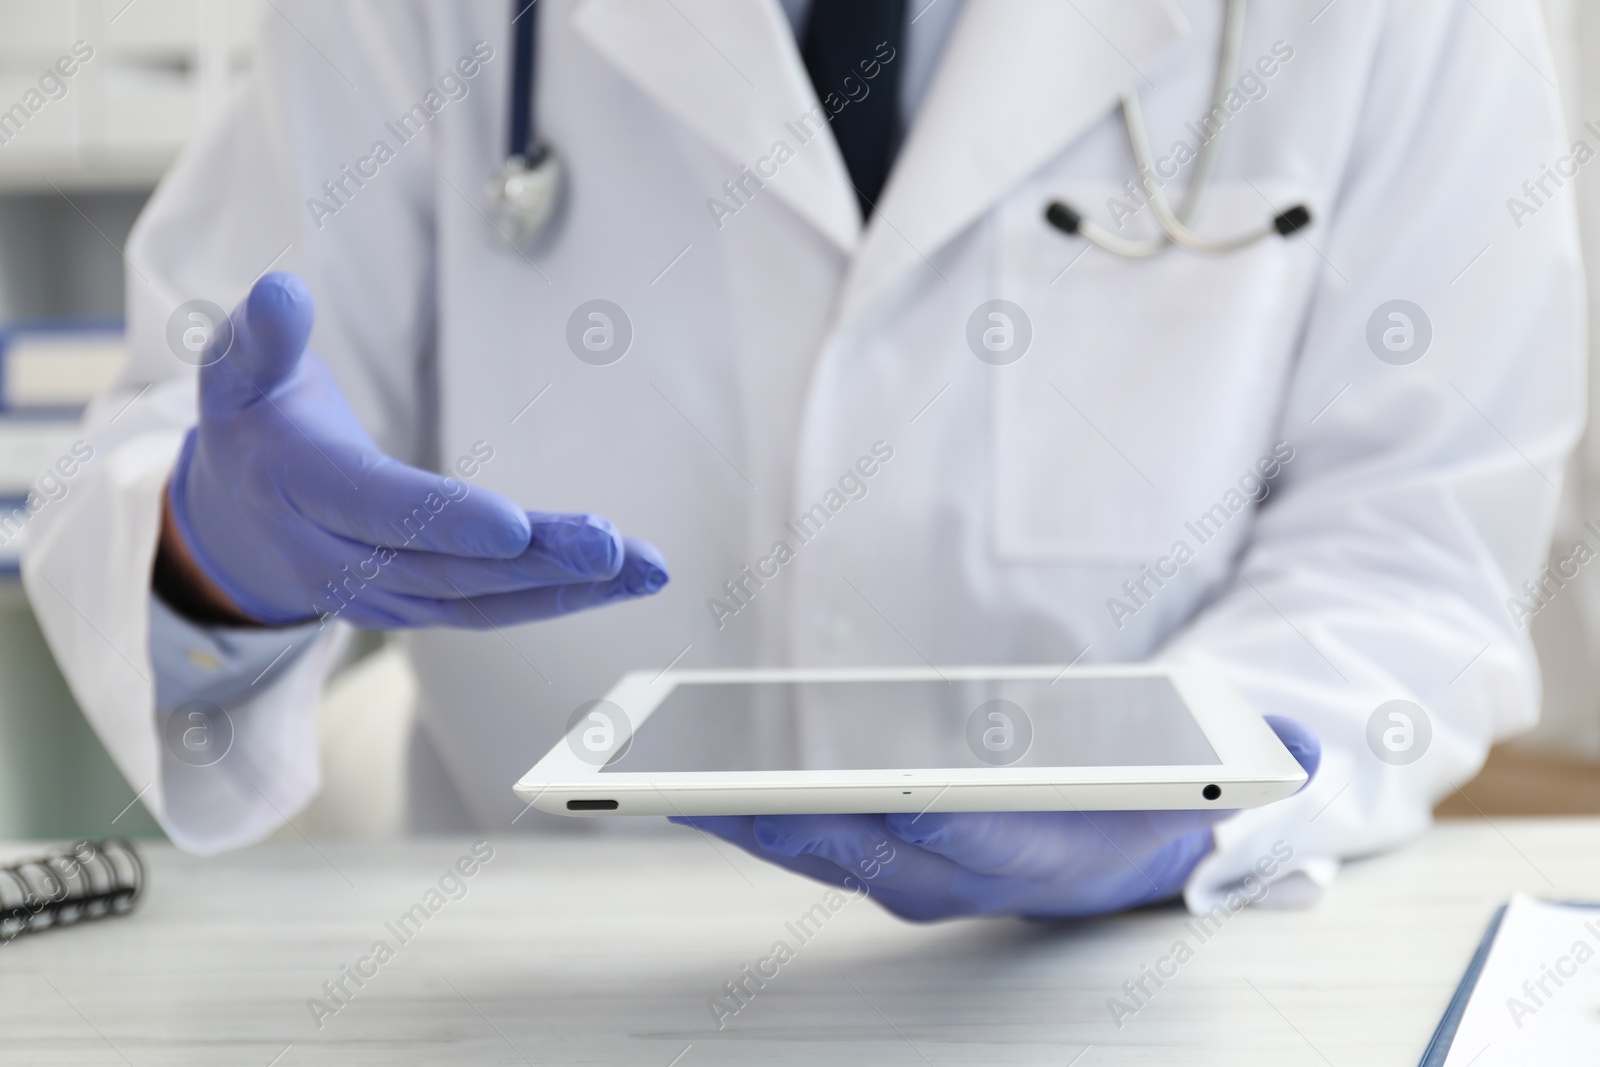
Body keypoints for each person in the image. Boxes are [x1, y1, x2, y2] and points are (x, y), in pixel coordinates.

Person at [24, 0, 1582, 921]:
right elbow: (199, 419)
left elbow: (1414, 551)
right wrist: (212, 556)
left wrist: (1206, 801)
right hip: (520, 993)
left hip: (1156, 987)